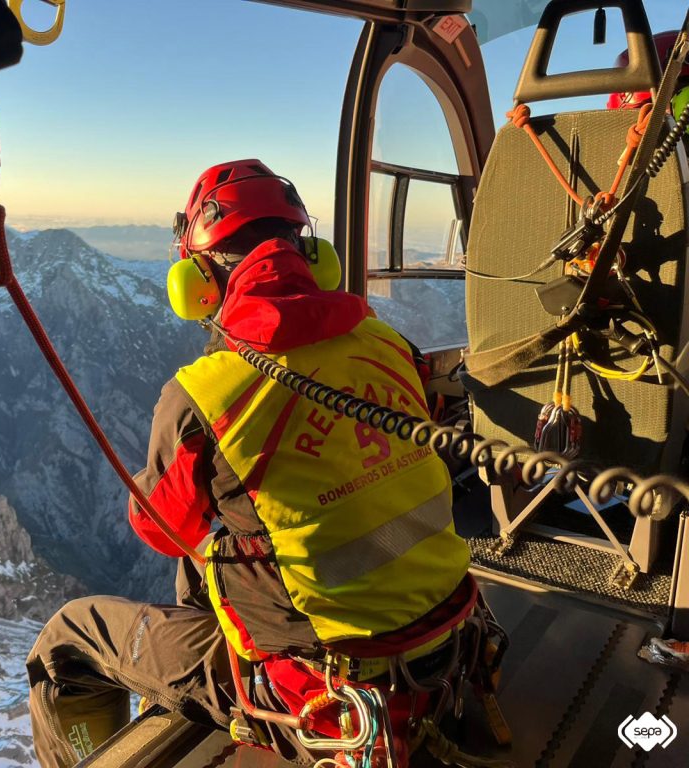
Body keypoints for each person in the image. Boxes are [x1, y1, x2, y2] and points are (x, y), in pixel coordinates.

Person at [26, 159, 471, 767]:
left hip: (323, 700)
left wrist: (160, 466)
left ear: (199, 279)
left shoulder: (206, 395)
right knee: (218, 550)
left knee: (65, 643)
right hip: (448, 655)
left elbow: (162, 529)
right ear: (313, 258)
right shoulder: (388, 345)